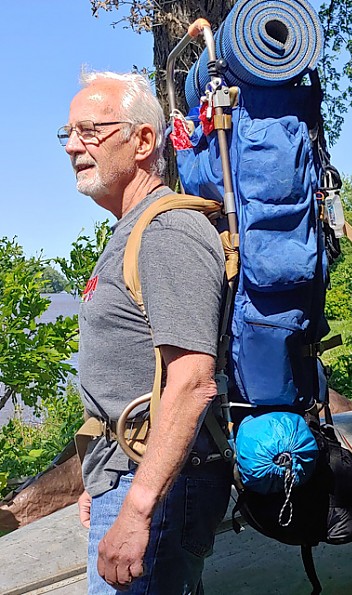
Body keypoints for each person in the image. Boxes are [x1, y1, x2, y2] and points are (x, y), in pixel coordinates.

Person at [58, 70, 232, 594]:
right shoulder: (132, 231)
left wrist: (137, 509)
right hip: (127, 476)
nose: (72, 146)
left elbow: (192, 381)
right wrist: (100, 471)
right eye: (67, 132)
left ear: (144, 140)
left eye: (90, 130)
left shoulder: (167, 231)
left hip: (154, 490)